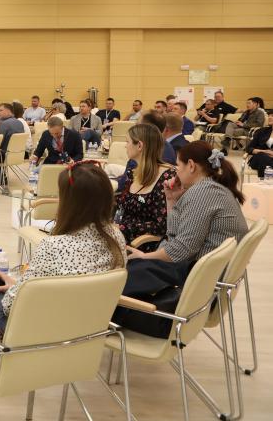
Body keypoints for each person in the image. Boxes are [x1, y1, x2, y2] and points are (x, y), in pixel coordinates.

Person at [0, 162, 126, 412]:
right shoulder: (116, 239)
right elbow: (67, 289)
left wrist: (16, 289)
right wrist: (20, 286)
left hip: (27, 341)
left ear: (70, 202)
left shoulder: (54, 247)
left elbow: (9, 306)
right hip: (82, 340)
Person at [115, 141, 248, 337]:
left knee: (127, 274)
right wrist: (172, 200)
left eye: (178, 165)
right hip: (201, 278)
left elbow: (181, 250)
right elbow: (174, 235)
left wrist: (145, 256)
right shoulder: (211, 189)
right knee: (134, 271)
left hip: (195, 283)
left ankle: (101, 311)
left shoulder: (202, 193)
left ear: (191, 166)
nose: (176, 171)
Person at [115, 124, 177, 247]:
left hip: (141, 244)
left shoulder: (167, 176)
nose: (125, 145)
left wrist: (122, 227)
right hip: (119, 235)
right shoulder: (133, 172)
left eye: (127, 142)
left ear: (139, 145)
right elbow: (124, 204)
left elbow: (160, 225)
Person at [245, 111, 273, 177]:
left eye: (272, 116)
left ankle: (263, 180)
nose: (269, 117)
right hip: (259, 159)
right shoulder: (261, 131)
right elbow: (248, 148)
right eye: (269, 116)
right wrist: (263, 151)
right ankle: (265, 180)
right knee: (262, 156)